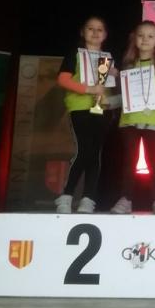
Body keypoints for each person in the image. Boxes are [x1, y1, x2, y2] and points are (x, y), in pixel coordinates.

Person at [110, 21, 155, 214]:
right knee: (129, 161)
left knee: (153, 161)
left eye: (150, 36)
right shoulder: (127, 66)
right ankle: (125, 199)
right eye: (141, 35)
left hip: (153, 121)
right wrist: (108, 103)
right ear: (135, 39)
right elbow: (125, 96)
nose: (145, 39)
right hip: (130, 120)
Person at [55, 16, 116, 213]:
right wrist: (89, 89)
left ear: (105, 34)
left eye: (100, 29)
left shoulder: (107, 58)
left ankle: (88, 199)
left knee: (95, 154)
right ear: (82, 32)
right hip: (79, 108)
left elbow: (110, 86)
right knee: (84, 151)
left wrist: (115, 75)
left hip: (101, 108)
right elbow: (63, 80)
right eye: (91, 28)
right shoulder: (75, 54)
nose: (95, 32)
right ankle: (66, 196)